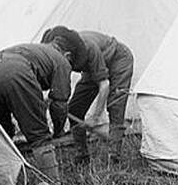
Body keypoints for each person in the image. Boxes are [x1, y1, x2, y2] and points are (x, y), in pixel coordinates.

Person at [0, 34, 84, 185]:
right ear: (68, 55)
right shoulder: (62, 61)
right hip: (16, 74)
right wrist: (58, 130)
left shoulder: (34, 49)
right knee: (40, 138)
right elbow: (59, 104)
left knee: (0, 134)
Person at [42, 26, 136, 166]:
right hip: (92, 68)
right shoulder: (57, 53)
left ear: (66, 53)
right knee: (74, 110)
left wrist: (95, 118)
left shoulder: (88, 47)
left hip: (118, 59)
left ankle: (114, 159)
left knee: (115, 106)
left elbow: (104, 85)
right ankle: (82, 156)